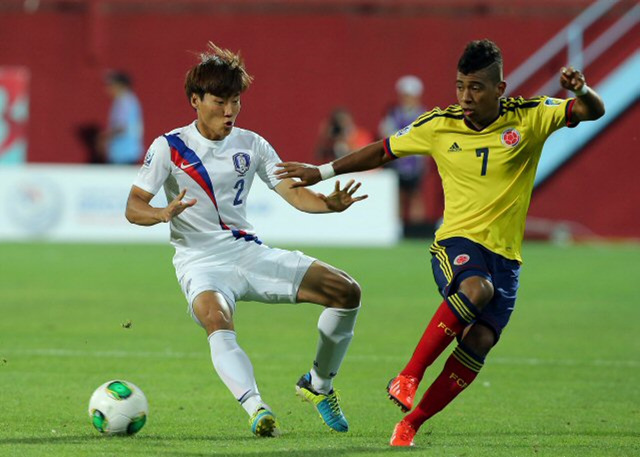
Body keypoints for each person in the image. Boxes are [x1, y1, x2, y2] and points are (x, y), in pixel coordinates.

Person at [275, 39, 605, 447]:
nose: (466, 97)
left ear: (500, 89)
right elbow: (382, 151)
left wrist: (581, 90)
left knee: (480, 341)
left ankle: (412, 423)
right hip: (455, 244)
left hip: (507, 258)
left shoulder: (532, 116)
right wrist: (320, 171)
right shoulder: (438, 124)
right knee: (476, 289)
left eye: (477, 88)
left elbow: (592, 111)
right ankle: (408, 375)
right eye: (460, 86)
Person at [125, 42, 367, 437]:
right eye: (220, 101)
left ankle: (318, 385)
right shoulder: (169, 147)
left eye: (235, 101)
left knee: (348, 292)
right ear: (195, 100)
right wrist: (161, 213)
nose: (230, 111)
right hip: (200, 262)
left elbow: (292, 192)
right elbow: (134, 207)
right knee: (216, 319)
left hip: (248, 252)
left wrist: (327, 204)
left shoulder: (252, 144)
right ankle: (257, 409)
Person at [378, 75, 427, 225]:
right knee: (397, 195)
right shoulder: (393, 113)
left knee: (415, 195)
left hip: (416, 159)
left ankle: (417, 228)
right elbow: (385, 132)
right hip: (397, 158)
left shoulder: (423, 114)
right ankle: (397, 227)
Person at [101, 70, 144, 164]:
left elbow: (121, 127)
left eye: (111, 84)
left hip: (123, 153)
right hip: (125, 152)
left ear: (120, 85)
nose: (108, 88)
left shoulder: (124, 101)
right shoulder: (127, 100)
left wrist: (104, 138)